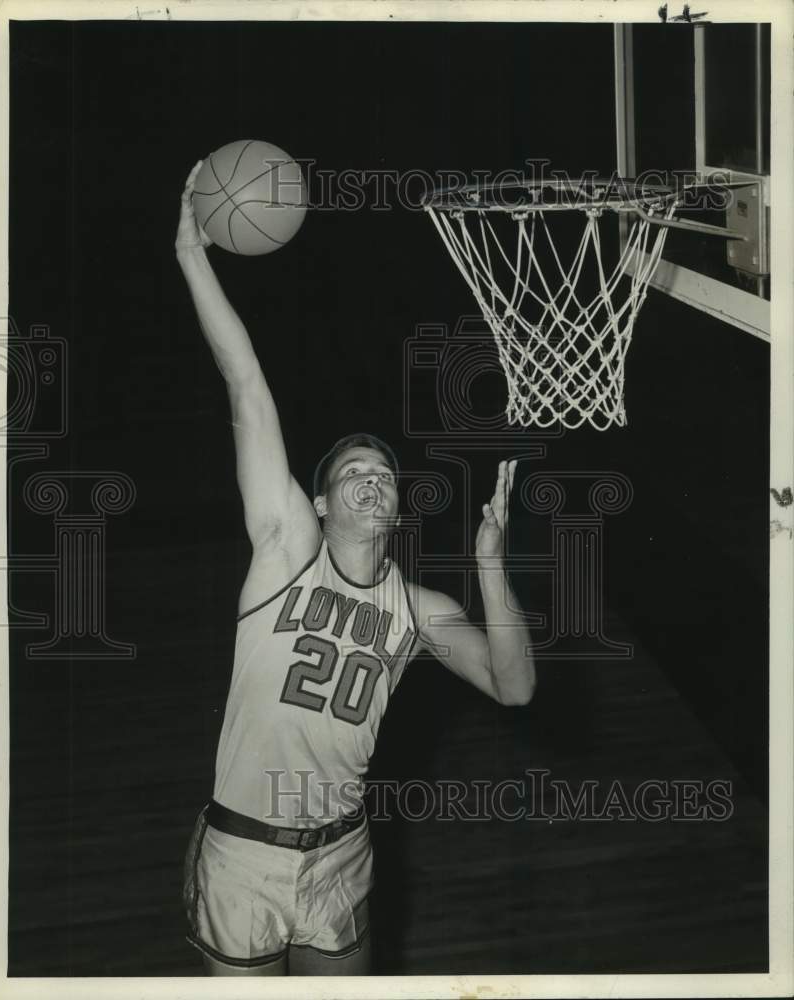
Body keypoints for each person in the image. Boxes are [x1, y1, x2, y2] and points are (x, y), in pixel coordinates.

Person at [176, 160, 536, 977]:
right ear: (320, 502)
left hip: (343, 857)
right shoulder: (285, 555)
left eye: (385, 475)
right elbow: (247, 386)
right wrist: (193, 255)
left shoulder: (419, 608)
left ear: (397, 509)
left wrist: (488, 564)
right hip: (244, 855)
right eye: (353, 474)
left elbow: (514, 686)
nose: (373, 479)